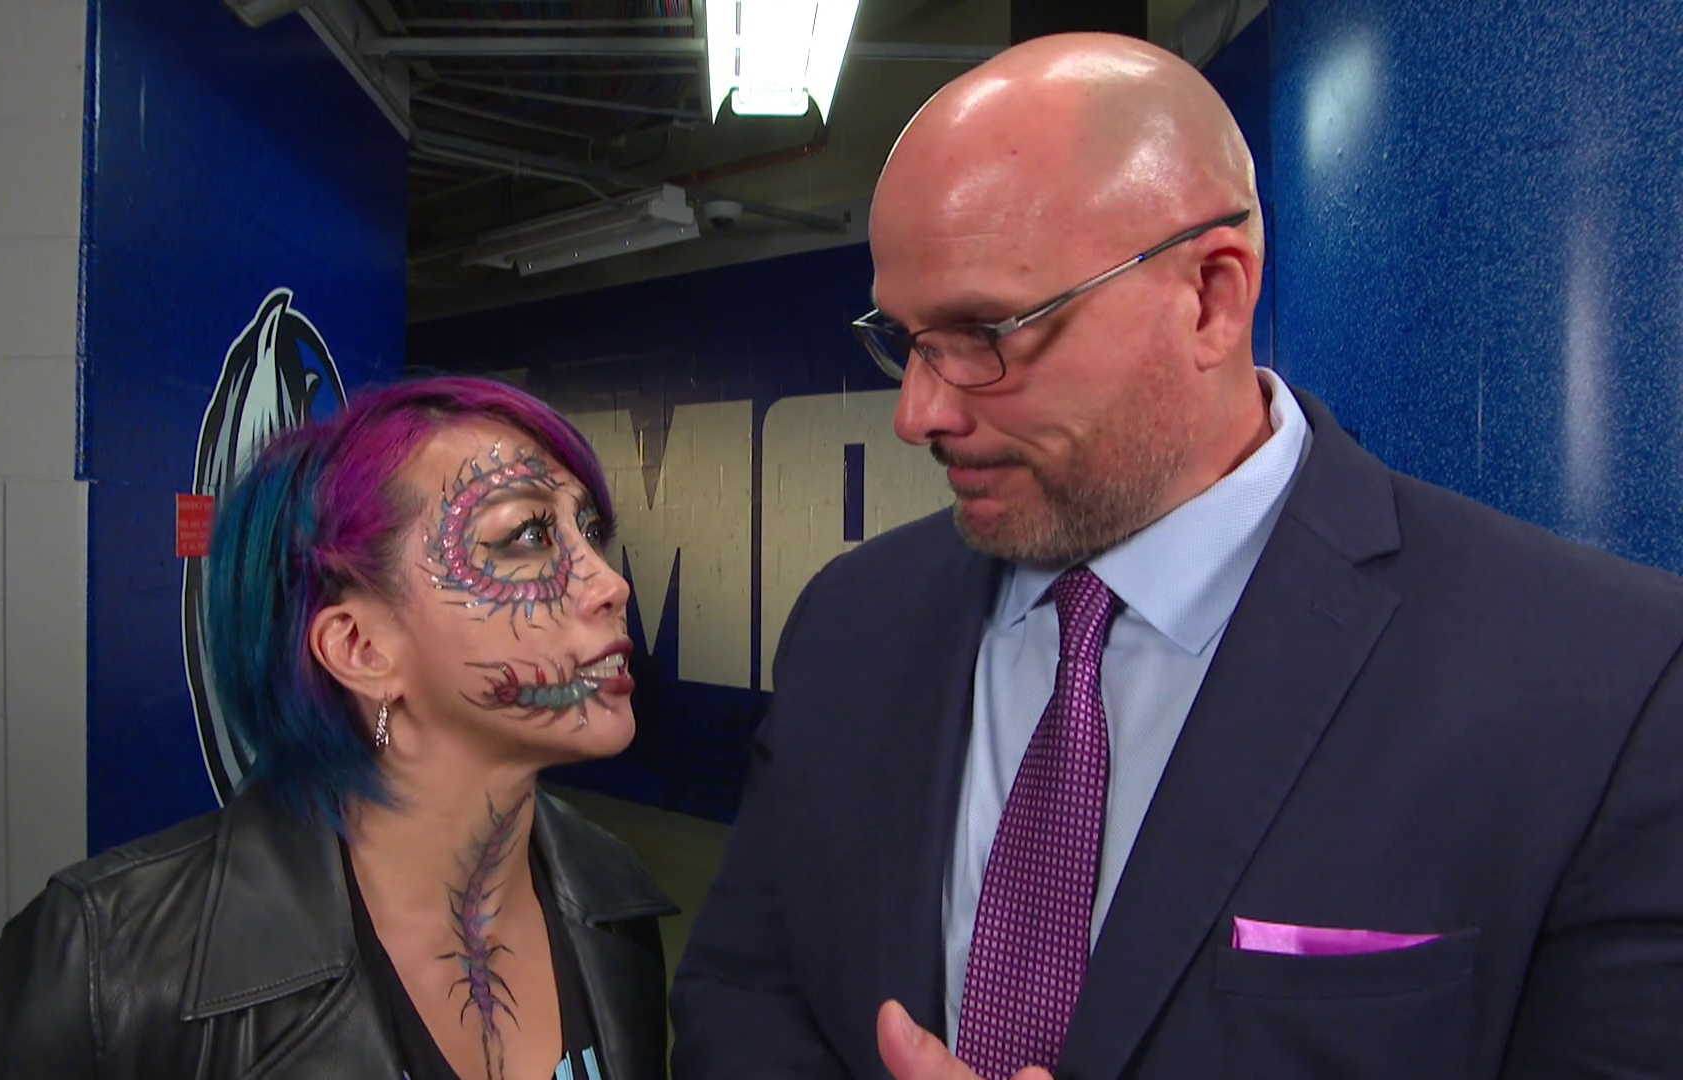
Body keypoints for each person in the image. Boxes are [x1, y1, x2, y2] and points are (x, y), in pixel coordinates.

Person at [670, 32, 1683, 1080]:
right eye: (907, 339)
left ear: (1210, 297)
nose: (917, 413)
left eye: (985, 334)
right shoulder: (850, 623)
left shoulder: (1608, 688)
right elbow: (742, 993)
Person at [0, 376, 676, 1080]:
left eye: (589, 533)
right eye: (528, 536)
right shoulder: (108, 965)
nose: (611, 585)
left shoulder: (613, 900)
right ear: (360, 649)